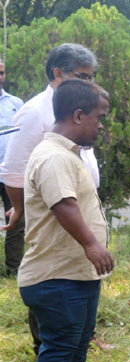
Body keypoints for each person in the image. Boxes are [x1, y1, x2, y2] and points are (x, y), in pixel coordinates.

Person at [0, 43, 108, 355]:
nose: (89, 83)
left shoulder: (79, 105)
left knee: (75, 288)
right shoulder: (36, 111)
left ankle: (75, 355)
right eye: (82, 76)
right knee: (51, 282)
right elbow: (14, 169)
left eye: (91, 77)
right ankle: (46, 347)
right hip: (51, 209)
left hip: (74, 206)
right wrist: (20, 209)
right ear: (57, 73)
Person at [19, 79, 113, 362]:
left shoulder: (68, 153)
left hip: (76, 273)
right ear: (77, 116)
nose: (100, 126)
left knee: (80, 334)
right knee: (59, 345)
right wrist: (91, 243)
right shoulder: (53, 157)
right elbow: (64, 205)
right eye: (98, 118)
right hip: (55, 276)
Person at [0, 60, 24, 276]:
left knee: (16, 220)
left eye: (2, 73)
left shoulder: (16, 104)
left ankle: (14, 269)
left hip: (10, 173)